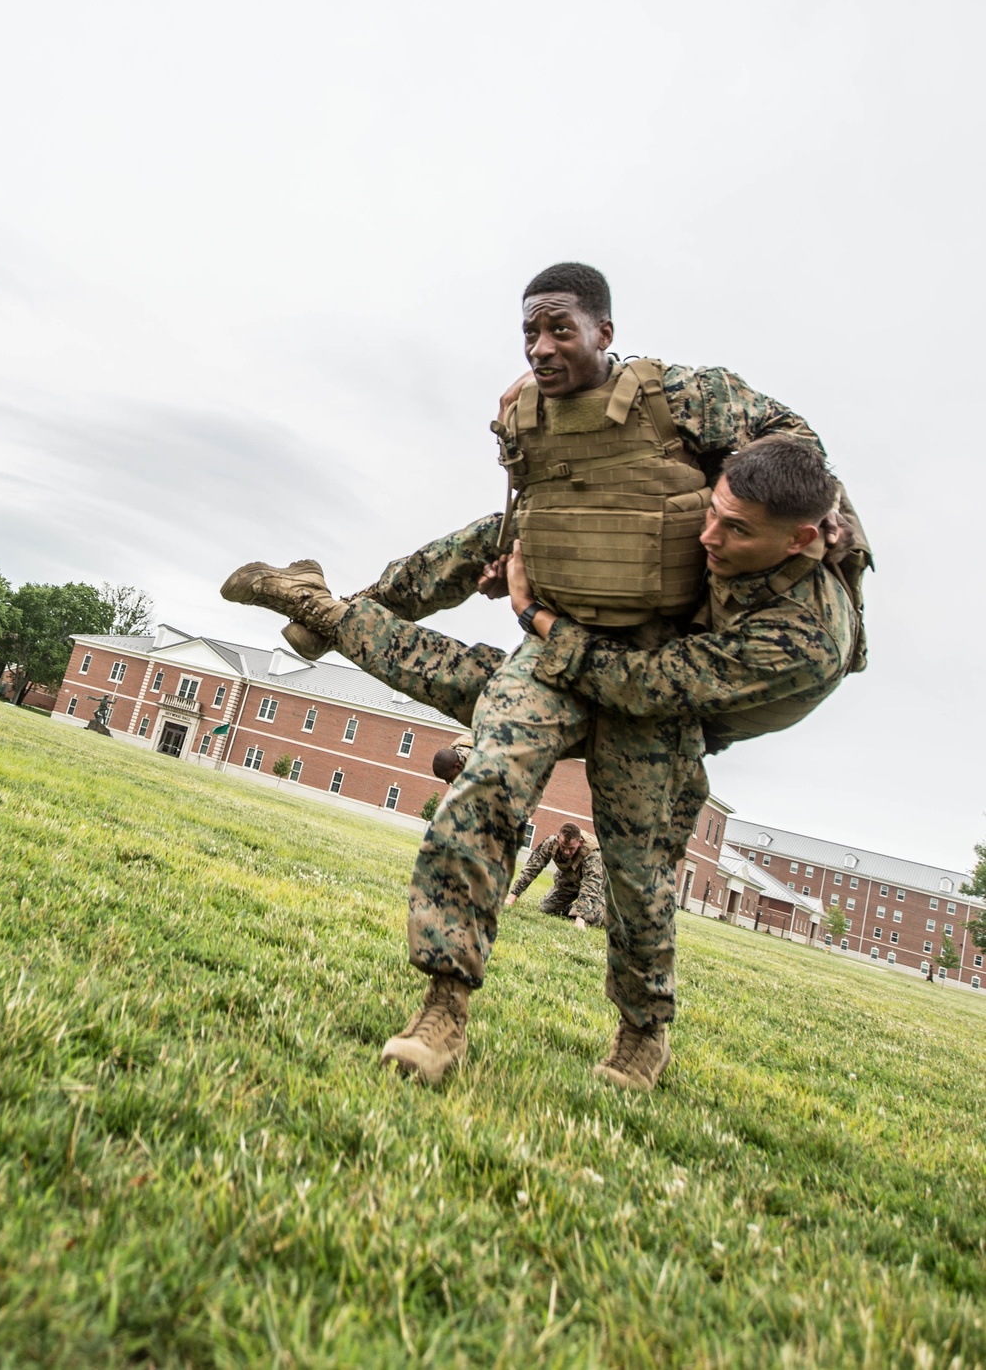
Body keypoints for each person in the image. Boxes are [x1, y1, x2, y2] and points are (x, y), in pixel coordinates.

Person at [222, 263, 869, 1092]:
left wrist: (535, 614)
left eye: (562, 329)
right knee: (488, 778)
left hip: (652, 668)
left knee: (638, 869)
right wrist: (538, 556)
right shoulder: (529, 410)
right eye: (531, 332)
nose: (542, 347)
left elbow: (793, 447)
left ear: (606, 329)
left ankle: (642, 1033)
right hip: (560, 641)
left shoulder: (689, 400)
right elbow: (518, 512)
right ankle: (442, 1008)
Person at [506, 822, 605, 929]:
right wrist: (512, 897)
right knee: (545, 909)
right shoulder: (551, 843)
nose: (566, 852)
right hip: (569, 882)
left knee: (593, 920)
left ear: (580, 843)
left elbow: (591, 885)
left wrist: (580, 919)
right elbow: (532, 868)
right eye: (563, 847)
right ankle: (574, 910)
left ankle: (604, 913)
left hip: (598, 888)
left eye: (571, 848)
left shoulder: (592, 853)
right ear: (558, 838)